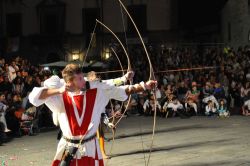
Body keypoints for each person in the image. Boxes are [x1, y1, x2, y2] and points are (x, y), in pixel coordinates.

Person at [28, 64, 156, 166]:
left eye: (82, 77)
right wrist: (59, 90)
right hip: (68, 147)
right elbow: (34, 97)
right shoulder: (59, 95)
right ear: (69, 82)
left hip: (90, 146)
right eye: (79, 79)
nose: (83, 81)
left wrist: (144, 86)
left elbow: (120, 90)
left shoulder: (96, 91)